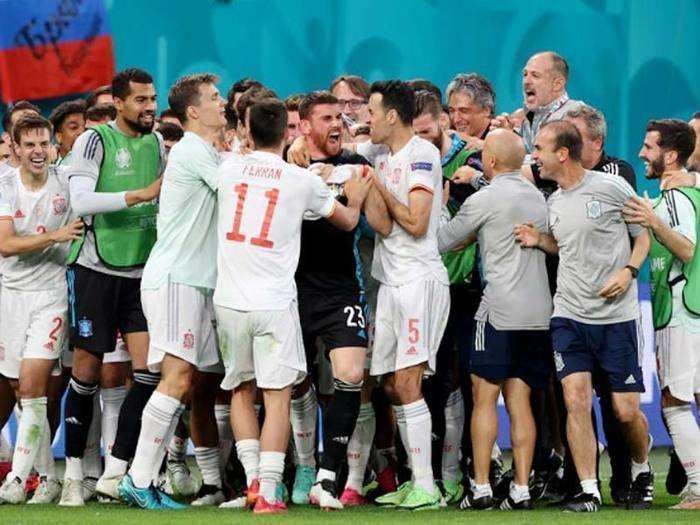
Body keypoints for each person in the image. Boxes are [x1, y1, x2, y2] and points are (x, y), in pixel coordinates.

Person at [214, 97, 370, 514]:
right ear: (290, 130)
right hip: (275, 300)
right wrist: (354, 199)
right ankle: (268, 490)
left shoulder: (228, 169)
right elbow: (349, 222)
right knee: (278, 394)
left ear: (248, 132)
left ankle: (250, 483)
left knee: (241, 390)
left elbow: (234, 158)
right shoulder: (299, 181)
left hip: (228, 300)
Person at [513, 120, 652, 512]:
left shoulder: (610, 188)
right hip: (569, 315)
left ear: (563, 153)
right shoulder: (553, 200)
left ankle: (641, 467)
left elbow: (642, 235)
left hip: (615, 317)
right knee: (575, 400)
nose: (533, 156)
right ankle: (588, 489)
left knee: (626, 411)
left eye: (539, 148)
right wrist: (539, 240)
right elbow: (566, 245)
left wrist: (629, 272)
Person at [117, 73, 226, 510]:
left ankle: (145, 478)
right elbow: (239, 191)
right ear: (194, 112)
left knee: (189, 381)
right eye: (215, 98)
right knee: (177, 379)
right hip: (176, 278)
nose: (222, 103)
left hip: (195, 281)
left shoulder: (207, 152)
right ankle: (138, 479)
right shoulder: (192, 151)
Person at [59, 68, 164, 506]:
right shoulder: (94, 140)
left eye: (152, 99)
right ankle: (73, 474)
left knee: (148, 370)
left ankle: (117, 469)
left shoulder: (157, 142)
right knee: (86, 372)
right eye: (140, 100)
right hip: (97, 270)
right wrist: (140, 195)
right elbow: (81, 203)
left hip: (143, 272)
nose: (149, 107)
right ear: (119, 103)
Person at [437, 129, 551, 511]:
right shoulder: (537, 197)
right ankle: (520, 488)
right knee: (520, 400)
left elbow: (444, 240)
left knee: (484, 397)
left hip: (498, 309)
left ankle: (482, 487)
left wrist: (440, 202)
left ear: (490, 162)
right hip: (538, 313)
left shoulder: (484, 198)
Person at [358, 80, 450, 510]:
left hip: (418, 281)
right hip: (390, 283)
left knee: (410, 382)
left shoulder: (422, 156)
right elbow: (381, 225)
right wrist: (373, 183)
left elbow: (414, 222)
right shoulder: (384, 156)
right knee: (393, 385)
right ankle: (417, 480)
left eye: (371, 113)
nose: (366, 120)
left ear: (392, 115)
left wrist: (379, 183)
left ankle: (428, 486)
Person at [286, 91, 371, 509]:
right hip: (292, 286)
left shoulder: (359, 165)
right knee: (294, 379)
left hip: (341, 287)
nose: (337, 123)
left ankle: (328, 475)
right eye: (326, 117)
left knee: (351, 375)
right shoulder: (286, 163)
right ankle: (303, 465)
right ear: (304, 125)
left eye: (341, 115)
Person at [0, 115, 83, 504]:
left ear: (53, 146)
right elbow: (6, 244)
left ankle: (16, 481)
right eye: (29, 144)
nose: (38, 151)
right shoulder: (3, 184)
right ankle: (48, 478)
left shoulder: (66, 183)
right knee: (20, 390)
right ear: (15, 148)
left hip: (50, 296)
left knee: (34, 388)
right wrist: (56, 235)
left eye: (43, 143)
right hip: (9, 297)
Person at [624, 119, 700, 510]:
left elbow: (685, 250)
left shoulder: (675, 199)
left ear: (670, 156)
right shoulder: (692, 192)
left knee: (673, 399)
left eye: (648, 147)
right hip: (692, 309)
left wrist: (653, 221)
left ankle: (699, 488)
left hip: (682, 311)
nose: (641, 153)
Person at [492, 51, 584, 155]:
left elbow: (555, 164)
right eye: (525, 74)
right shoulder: (526, 117)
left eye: (535, 75)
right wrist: (508, 138)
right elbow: (524, 158)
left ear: (557, 84)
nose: (526, 81)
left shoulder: (576, 115)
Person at [563, 105, 636, 189]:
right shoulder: (551, 171)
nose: (563, 142)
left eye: (572, 136)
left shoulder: (617, 172)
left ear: (597, 143)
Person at [49, 100, 87, 165]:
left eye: (86, 128)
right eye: (74, 127)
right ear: (59, 137)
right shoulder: (46, 168)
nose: (82, 132)